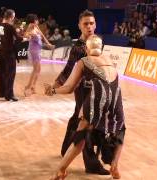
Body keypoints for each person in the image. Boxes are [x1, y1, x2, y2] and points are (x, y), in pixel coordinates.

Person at [44, 35, 126, 179]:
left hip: (98, 97)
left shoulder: (84, 61)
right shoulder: (109, 60)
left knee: (81, 136)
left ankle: (60, 170)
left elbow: (69, 87)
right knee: (120, 129)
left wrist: (53, 90)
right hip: (116, 98)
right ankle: (114, 165)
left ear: (86, 49)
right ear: (101, 47)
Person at [50, 10, 110, 175]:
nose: (89, 26)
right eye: (85, 24)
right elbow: (68, 70)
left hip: (96, 90)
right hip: (83, 90)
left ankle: (66, 148)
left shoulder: (98, 42)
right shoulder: (77, 48)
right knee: (87, 126)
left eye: (91, 23)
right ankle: (91, 164)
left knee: (78, 118)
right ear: (79, 26)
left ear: (95, 24)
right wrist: (55, 86)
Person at [23, 14, 54, 96]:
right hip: (34, 51)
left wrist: (48, 44)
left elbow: (43, 36)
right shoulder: (31, 27)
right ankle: (28, 86)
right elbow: (26, 35)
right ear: (33, 21)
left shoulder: (36, 27)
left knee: (38, 69)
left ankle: (33, 86)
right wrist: (29, 35)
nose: (38, 21)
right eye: (36, 20)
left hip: (37, 50)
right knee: (35, 69)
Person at [0, 9, 24, 101]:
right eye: (14, 16)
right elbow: (18, 38)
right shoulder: (10, 26)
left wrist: (16, 30)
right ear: (11, 17)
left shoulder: (1, 25)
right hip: (9, 52)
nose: (14, 18)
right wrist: (26, 38)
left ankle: (3, 92)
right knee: (11, 73)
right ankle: (9, 95)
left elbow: (7, 33)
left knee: (3, 73)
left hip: (1, 51)